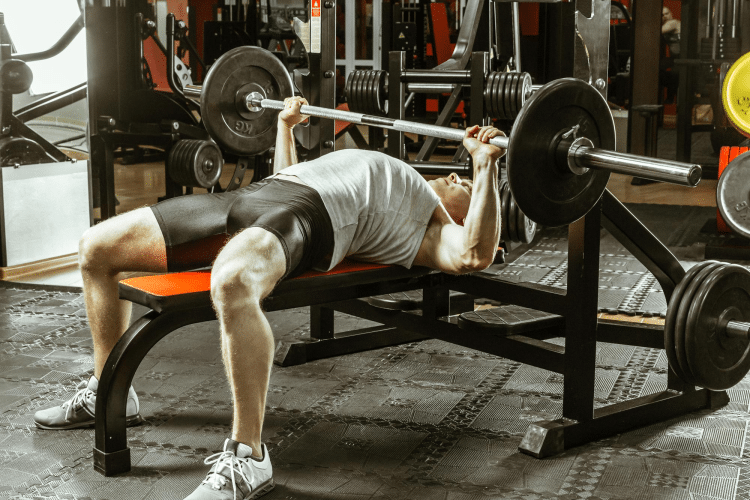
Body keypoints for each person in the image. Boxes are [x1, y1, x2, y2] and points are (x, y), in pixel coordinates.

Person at [32, 96, 505, 499]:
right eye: (460, 175)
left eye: (466, 185)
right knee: (96, 248)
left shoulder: (432, 228)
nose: (457, 179)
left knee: (233, 283)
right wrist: (285, 126)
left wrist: (484, 167)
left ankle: (249, 455)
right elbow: (291, 174)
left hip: (310, 216)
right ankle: (106, 393)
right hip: (263, 193)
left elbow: (474, 254)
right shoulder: (401, 174)